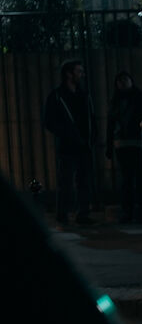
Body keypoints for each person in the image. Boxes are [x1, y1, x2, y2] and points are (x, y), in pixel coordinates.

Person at [42, 59, 96, 226]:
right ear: (69, 74)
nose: (82, 74)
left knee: (84, 181)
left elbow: (91, 118)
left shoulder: (84, 95)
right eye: (79, 71)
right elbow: (48, 121)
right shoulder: (57, 96)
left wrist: (92, 137)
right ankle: (63, 214)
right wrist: (66, 133)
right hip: (67, 146)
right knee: (65, 181)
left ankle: (83, 214)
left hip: (84, 144)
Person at [105, 72, 142, 224]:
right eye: (120, 81)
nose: (122, 83)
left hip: (132, 143)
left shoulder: (125, 100)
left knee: (136, 179)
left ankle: (137, 211)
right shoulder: (138, 99)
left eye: (125, 80)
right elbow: (110, 125)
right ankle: (135, 211)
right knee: (131, 180)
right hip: (127, 144)